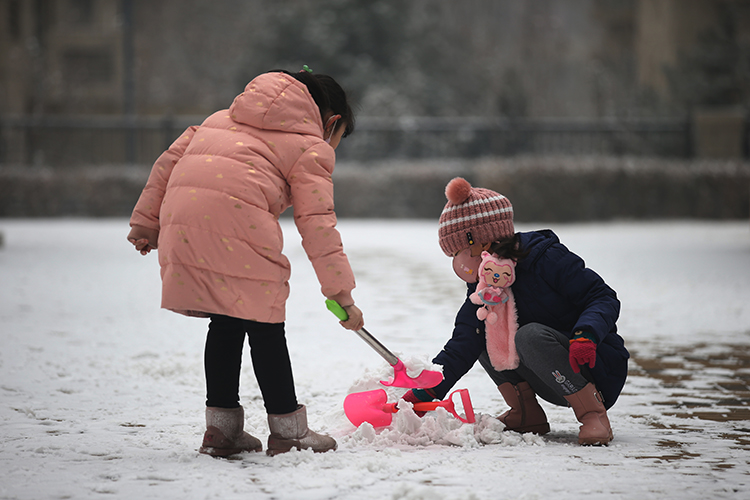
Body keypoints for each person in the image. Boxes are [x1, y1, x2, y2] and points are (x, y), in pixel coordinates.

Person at [127, 67, 364, 457]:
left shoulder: (218, 120)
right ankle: (289, 428)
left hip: (184, 227)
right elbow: (318, 224)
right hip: (240, 227)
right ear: (330, 122)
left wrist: (146, 224)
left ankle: (221, 431)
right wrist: (342, 295)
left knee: (225, 322)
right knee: (266, 325)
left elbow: (166, 165)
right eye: (338, 138)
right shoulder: (309, 145)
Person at [403, 177, 628, 446]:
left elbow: (602, 297)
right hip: (549, 374)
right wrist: (426, 390)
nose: (458, 261)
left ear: (480, 242)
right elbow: (464, 340)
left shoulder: (545, 258)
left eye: (459, 251)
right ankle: (525, 413)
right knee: (484, 326)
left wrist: (586, 335)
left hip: (593, 364)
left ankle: (593, 415)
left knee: (528, 336)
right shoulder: (483, 285)